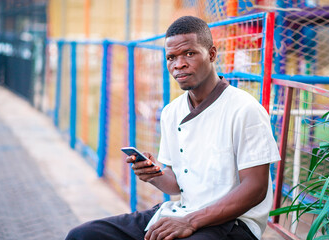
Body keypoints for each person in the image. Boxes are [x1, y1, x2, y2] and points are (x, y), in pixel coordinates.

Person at [65, 15, 280, 240]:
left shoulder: (244, 109)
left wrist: (191, 221)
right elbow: (176, 186)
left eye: (189, 53)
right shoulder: (171, 112)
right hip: (182, 211)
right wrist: (154, 174)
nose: (179, 64)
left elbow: (256, 188)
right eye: (171, 57)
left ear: (212, 54)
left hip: (232, 223)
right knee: (84, 235)